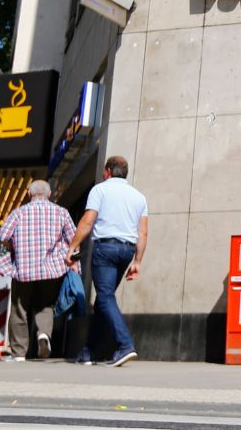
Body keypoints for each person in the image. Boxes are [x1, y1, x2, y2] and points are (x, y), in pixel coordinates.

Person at [66, 156, 149, 367]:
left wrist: (73, 246)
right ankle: (90, 352)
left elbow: (87, 220)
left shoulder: (100, 190)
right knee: (105, 300)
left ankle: (125, 345)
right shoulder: (139, 197)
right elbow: (143, 232)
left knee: (104, 298)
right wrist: (138, 261)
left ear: (108, 171)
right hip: (127, 251)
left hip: (105, 249)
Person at [0, 180, 74, 361]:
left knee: (19, 310)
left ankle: (18, 353)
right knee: (45, 305)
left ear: (28, 194)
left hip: (23, 269)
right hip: (50, 270)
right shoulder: (62, 212)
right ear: (50, 194)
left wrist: (13, 247)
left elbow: (4, 235)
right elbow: (73, 237)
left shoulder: (19, 213)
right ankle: (43, 335)